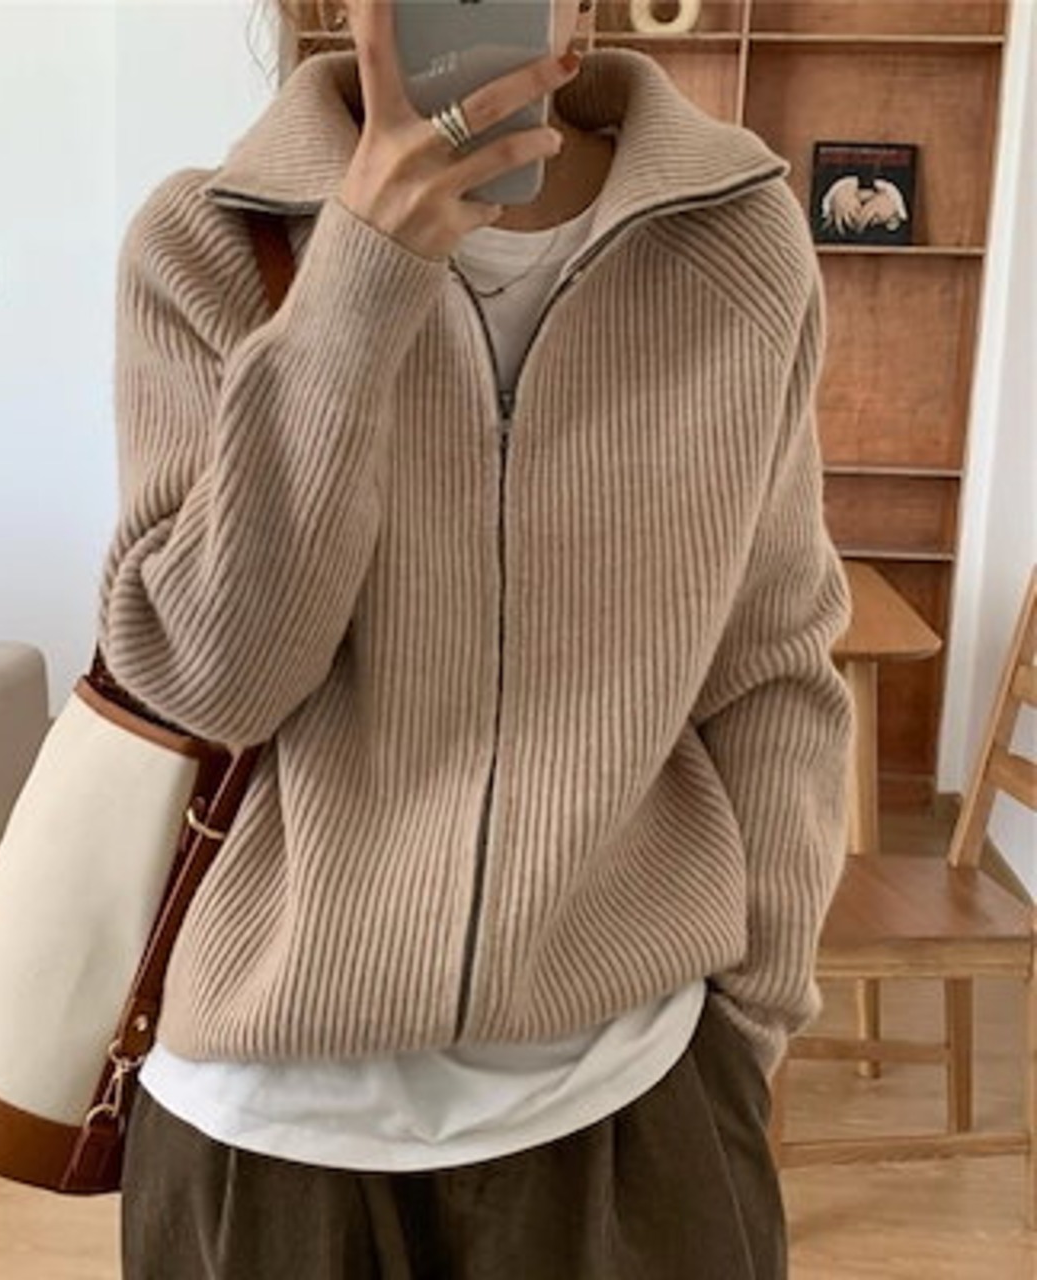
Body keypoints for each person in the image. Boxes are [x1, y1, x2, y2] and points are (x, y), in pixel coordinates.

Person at [98, 0, 855, 1275]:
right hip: (264, 1120)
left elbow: (772, 660)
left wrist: (749, 1018)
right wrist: (358, 277)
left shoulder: (735, 235)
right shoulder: (206, 241)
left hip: (634, 1091)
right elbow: (208, 679)